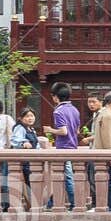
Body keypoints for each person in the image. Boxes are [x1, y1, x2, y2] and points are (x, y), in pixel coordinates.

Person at [42, 82, 82, 211]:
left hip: (63, 148)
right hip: (73, 147)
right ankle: (51, 202)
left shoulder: (58, 111)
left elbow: (63, 131)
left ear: (55, 97)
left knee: (66, 176)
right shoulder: (75, 110)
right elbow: (77, 131)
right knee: (63, 175)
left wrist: (50, 130)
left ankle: (74, 203)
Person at [93, 90, 111, 211]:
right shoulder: (108, 115)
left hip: (104, 155)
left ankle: (109, 206)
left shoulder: (105, 113)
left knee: (110, 182)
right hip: (108, 156)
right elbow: (108, 139)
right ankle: (109, 208)